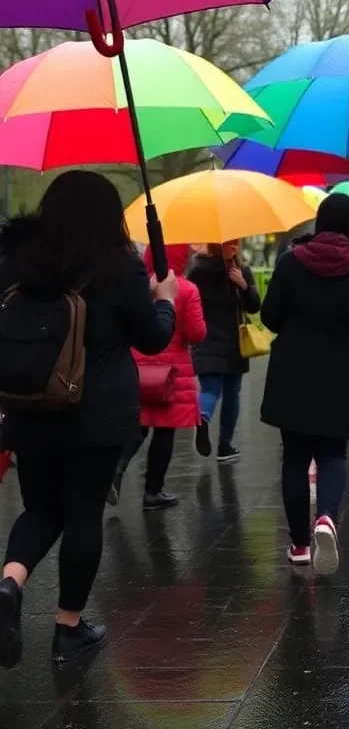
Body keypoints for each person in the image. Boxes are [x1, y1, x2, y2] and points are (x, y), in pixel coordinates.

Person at [0, 171, 177, 668]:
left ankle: (9, 582)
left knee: (39, 510)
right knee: (82, 515)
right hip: (95, 412)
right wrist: (164, 301)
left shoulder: (16, 259)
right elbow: (151, 339)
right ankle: (69, 629)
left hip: (31, 405)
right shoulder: (119, 266)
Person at [260, 195, 349, 574]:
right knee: (332, 453)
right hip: (340, 373)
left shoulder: (289, 262)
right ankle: (326, 518)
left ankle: (299, 545)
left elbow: (270, 316)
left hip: (291, 372)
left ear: (319, 221)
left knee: (295, 457)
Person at [110, 245, 207, 511]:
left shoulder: (138, 285)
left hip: (138, 367)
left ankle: (116, 471)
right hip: (172, 373)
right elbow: (196, 333)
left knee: (139, 426)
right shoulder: (186, 289)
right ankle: (153, 492)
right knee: (165, 431)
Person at [190, 240, 260, 463]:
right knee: (229, 392)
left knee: (213, 388)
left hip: (208, 340)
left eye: (237, 242)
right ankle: (224, 444)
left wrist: (242, 284)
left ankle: (204, 418)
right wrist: (243, 284)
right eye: (231, 243)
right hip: (227, 342)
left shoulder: (198, 272)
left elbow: (253, 306)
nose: (236, 246)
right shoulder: (234, 270)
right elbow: (254, 305)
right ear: (217, 246)